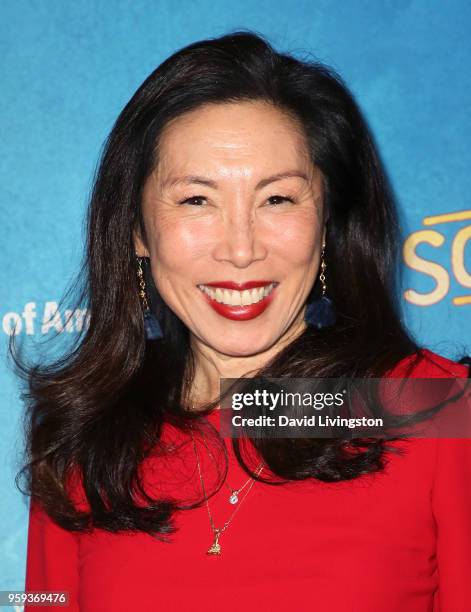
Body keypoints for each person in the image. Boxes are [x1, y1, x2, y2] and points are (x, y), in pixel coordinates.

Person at [13, 30, 471, 611]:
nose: (240, 249)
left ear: (328, 221)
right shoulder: (88, 443)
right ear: (136, 232)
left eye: (276, 199)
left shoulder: (432, 411)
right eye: (196, 201)